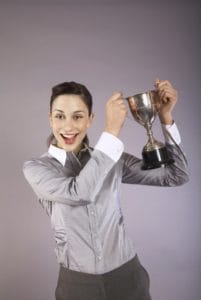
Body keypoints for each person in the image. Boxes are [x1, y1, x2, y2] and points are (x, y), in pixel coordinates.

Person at [23, 79, 189, 300]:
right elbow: (79, 192)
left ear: (90, 120)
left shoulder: (113, 158)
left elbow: (176, 175)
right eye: (60, 116)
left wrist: (165, 117)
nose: (69, 126)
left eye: (78, 116)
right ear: (50, 119)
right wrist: (111, 130)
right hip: (77, 285)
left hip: (128, 276)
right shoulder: (37, 168)